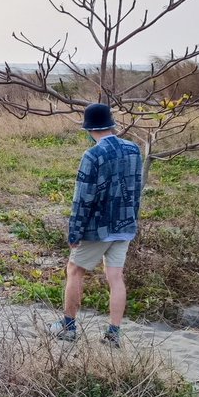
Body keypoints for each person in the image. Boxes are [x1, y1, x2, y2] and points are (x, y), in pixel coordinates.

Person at [48, 103, 142, 347]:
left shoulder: (92, 155)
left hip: (98, 227)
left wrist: (75, 231)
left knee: (75, 269)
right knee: (115, 277)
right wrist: (133, 220)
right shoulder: (133, 149)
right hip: (125, 224)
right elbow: (136, 190)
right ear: (111, 124)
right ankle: (113, 334)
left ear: (89, 129)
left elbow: (83, 198)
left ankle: (68, 326)